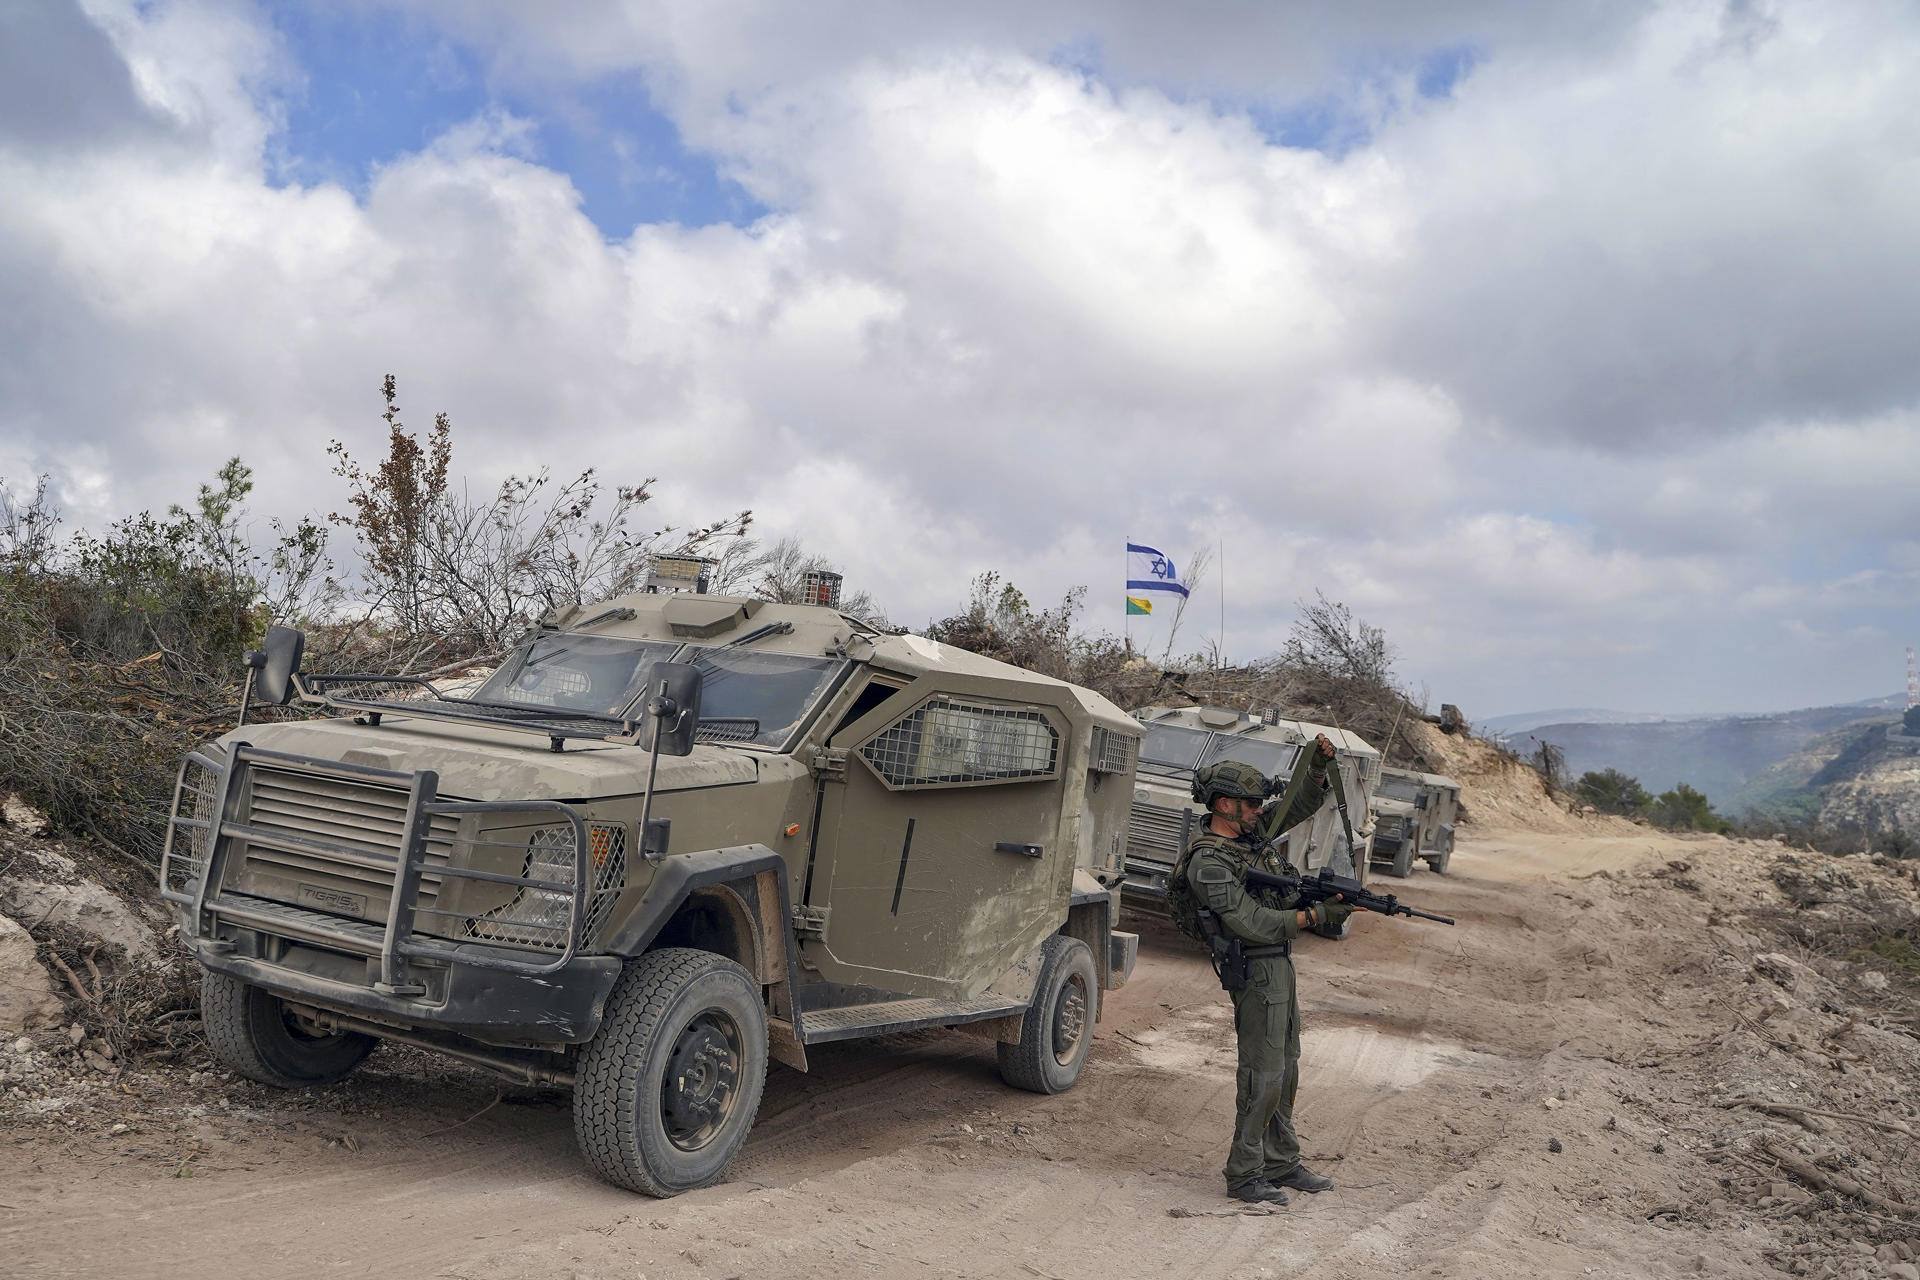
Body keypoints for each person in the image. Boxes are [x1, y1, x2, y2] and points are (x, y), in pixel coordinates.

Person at [1168, 735, 1354, 1205]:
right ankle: (1245, 1171)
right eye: (1251, 803)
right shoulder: (1209, 860)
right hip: (1254, 969)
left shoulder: (1250, 840)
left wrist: (1315, 769)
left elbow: (1297, 806)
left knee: (1286, 1068)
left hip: (1279, 968)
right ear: (1225, 804)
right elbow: (1249, 923)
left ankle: (1281, 1160)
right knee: (1262, 1073)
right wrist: (1314, 918)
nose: (1257, 811)